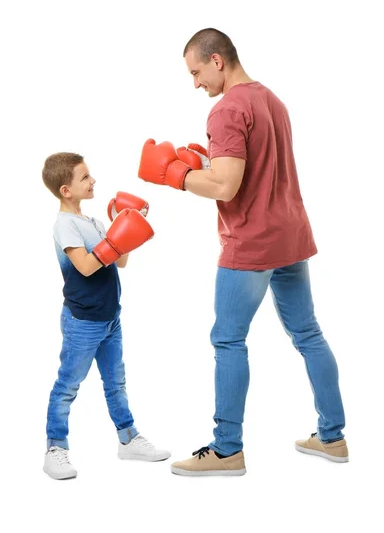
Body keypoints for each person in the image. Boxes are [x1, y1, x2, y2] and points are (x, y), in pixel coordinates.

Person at [138, 28, 348, 477]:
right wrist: (205, 162)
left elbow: (227, 186)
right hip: (291, 234)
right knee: (308, 334)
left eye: (196, 72)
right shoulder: (271, 99)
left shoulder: (227, 109)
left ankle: (227, 449)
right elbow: (254, 169)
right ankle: (333, 437)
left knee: (227, 339)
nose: (195, 83)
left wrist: (172, 174)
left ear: (217, 61)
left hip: (251, 243)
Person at [41, 152, 170, 479]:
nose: (93, 181)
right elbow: (85, 266)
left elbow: (119, 262)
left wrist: (123, 225)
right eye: (85, 177)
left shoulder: (94, 223)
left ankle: (127, 439)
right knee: (68, 384)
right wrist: (116, 237)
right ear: (66, 190)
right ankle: (55, 448)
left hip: (110, 317)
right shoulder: (64, 225)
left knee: (116, 381)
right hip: (82, 322)